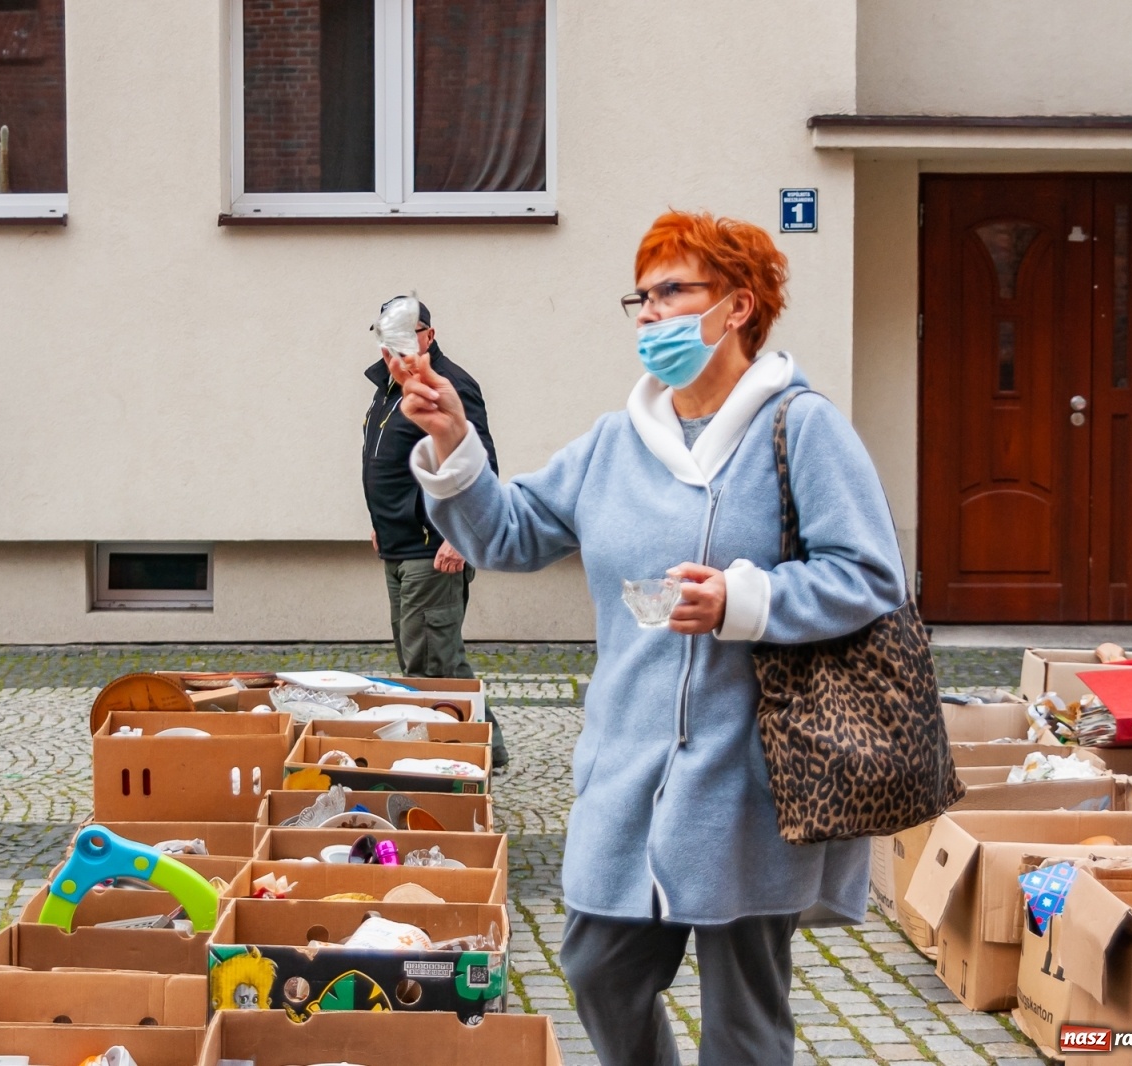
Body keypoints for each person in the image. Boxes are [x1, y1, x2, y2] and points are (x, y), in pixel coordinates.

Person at [387, 211, 905, 1064]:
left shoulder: (801, 427)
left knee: (744, 1022)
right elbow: (511, 533)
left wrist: (745, 599)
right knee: (597, 966)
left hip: (752, 780)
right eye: (642, 296)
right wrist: (451, 441)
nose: (648, 315)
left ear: (737, 307)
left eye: (671, 293)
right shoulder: (616, 442)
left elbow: (870, 576)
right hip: (630, 772)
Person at [362, 297, 508, 766]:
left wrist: (461, 536)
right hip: (398, 545)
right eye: (387, 338)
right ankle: (488, 747)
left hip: (433, 548)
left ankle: (456, 758)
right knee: (426, 659)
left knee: (431, 667)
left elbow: (480, 464)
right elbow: (388, 462)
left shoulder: (450, 385)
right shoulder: (387, 385)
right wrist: (381, 521)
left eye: (406, 335)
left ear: (429, 334)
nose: (395, 348)